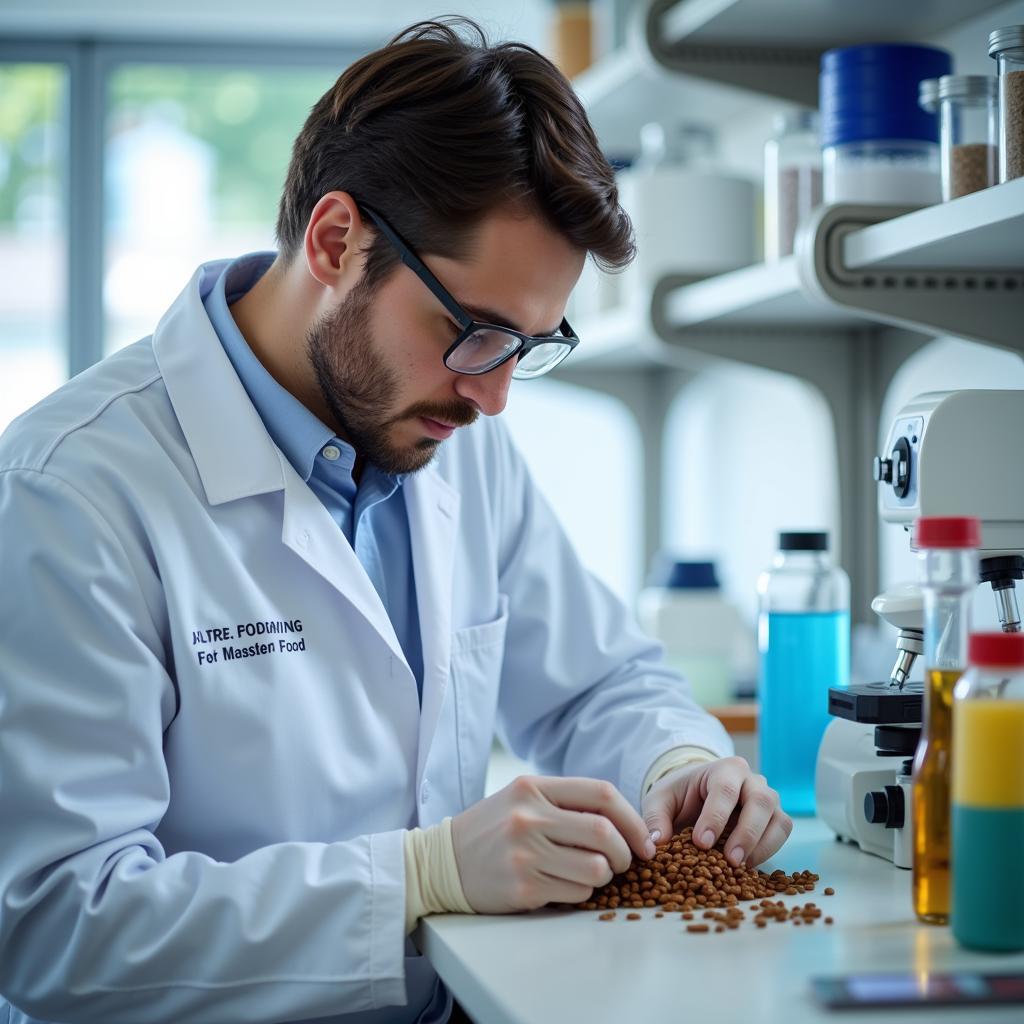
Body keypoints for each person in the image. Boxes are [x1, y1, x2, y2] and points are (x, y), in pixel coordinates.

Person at [0, 19, 791, 1024]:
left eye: (529, 346)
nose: (496, 396)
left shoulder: (451, 431)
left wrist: (675, 763)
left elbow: (597, 680)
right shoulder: (73, 485)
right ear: (337, 242)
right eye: (474, 332)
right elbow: (56, 921)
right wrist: (416, 878)